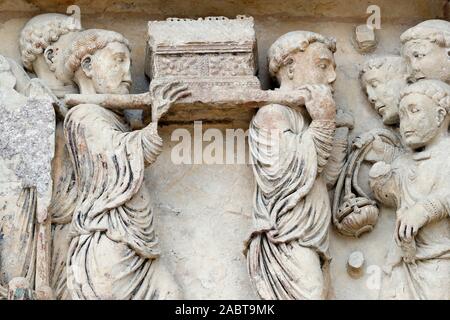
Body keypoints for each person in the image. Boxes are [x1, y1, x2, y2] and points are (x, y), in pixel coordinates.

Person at [59, 29, 188, 299]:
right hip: (108, 238)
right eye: (118, 61)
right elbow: (118, 157)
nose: (128, 75)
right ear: (88, 66)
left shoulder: (114, 119)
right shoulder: (83, 116)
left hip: (137, 240)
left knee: (170, 294)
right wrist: (156, 123)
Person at [246, 31, 341, 300]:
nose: (332, 77)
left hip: (313, 238)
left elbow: (324, 177)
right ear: (289, 68)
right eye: (323, 66)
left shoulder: (303, 118)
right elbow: (286, 174)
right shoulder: (272, 114)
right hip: (286, 238)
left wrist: (335, 130)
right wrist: (323, 123)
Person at [369, 79, 450, 299]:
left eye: (414, 111)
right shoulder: (405, 162)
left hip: (439, 262)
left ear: (441, 115)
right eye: (402, 115)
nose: (405, 123)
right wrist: (380, 180)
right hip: (402, 260)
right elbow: (393, 194)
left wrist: (425, 209)